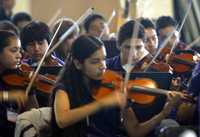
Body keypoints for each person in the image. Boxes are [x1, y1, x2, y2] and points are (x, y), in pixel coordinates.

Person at [50, 35, 181, 137]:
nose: (103, 65)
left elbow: (135, 131)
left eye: (104, 59)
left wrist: (164, 113)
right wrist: (102, 103)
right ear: (78, 64)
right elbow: (62, 120)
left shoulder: (113, 85)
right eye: (95, 61)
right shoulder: (65, 87)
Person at [0, 30, 38, 137]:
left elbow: (33, 111)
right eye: (13, 50)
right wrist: (9, 96)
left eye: (19, 50)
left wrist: (30, 91)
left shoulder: (18, 76)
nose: (19, 55)